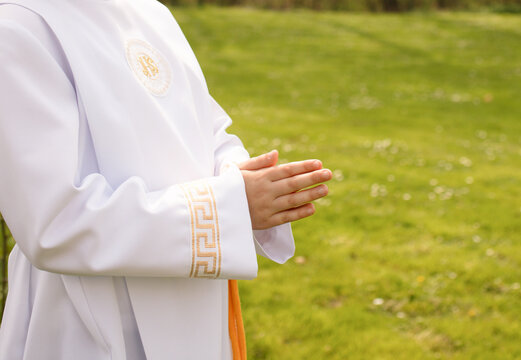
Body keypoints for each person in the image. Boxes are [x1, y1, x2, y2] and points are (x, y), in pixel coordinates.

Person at [0, 0, 332, 359]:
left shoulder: (150, 12)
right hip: (91, 322)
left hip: (196, 303)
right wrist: (227, 209)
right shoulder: (18, 28)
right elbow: (56, 222)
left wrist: (236, 173)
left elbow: (207, 127)